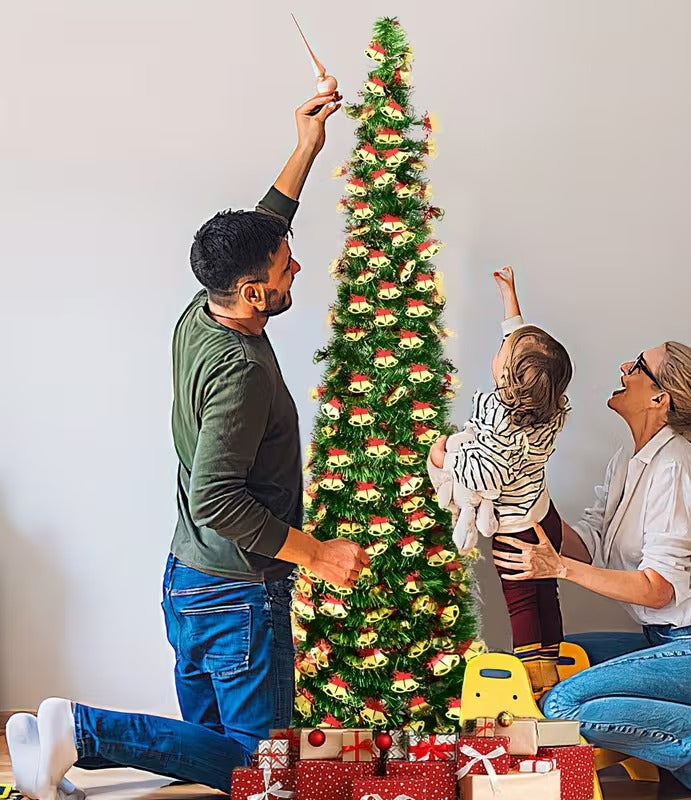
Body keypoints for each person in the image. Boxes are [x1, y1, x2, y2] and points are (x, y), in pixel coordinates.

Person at [6, 91, 370, 800]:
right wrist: (318, 554)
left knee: (215, 764)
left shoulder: (205, 305)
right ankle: (78, 733)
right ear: (254, 292)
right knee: (265, 776)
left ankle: (46, 746)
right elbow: (215, 497)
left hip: (191, 581)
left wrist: (305, 147)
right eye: (285, 266)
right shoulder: (238, 372)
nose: (296, 267)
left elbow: (264, 225)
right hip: (235, 593)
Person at [492, 341, 691, 800]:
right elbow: (589, 544)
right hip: (669, 642)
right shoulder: (630, 462)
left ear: (661, 398)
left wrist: (557, 569)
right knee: (558, 659)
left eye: (637, 365)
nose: (623, 367)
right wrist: (526, 491)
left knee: (560, 705)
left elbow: (657, 590)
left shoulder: (675, 468)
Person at [428, 265, 573, 696]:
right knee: (547, 595)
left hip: (512, 528)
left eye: (502, 352)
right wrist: (510, 297)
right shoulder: (548, 403)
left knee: (523, 603)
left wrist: (444, 457)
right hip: (544, 518)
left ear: (503, 379)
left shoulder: (499, 417)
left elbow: (484, 477)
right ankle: (554, 663)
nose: (499, 348)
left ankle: (537, 684)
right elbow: (529, 351)